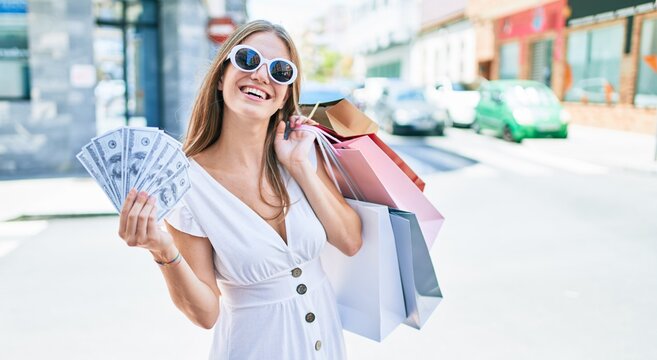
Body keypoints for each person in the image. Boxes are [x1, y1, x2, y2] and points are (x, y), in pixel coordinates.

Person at [117, 19, 362, 359]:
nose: (262, 76)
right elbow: (205, 314)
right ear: (221, 77)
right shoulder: (187, 184)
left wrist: (300, 167)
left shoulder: (298, 154)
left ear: (285, 96)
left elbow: (350, 241)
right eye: (247, 60)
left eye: (280, 71)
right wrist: (161, 249)